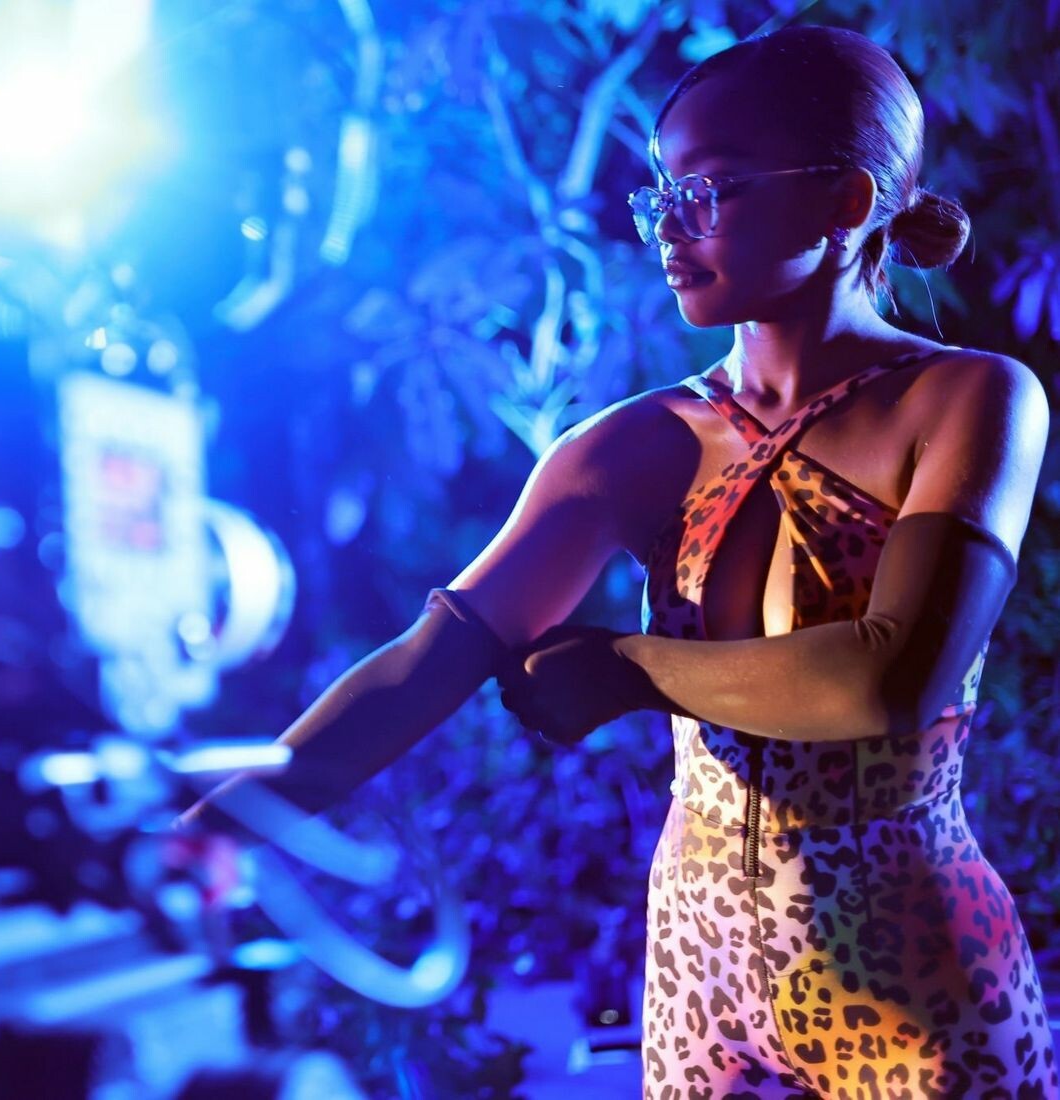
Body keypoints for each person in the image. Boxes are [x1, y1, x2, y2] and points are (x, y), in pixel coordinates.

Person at [176, 25, 1057, 1098]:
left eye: (711, 190)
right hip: (700, 974)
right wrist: (211, 832)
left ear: (845, 201)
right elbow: (427, 664)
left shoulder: (968, 398)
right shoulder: (629, 446)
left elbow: (891, 677)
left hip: (914, 978)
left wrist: (633, 667)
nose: (669, 227)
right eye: (660, 195)